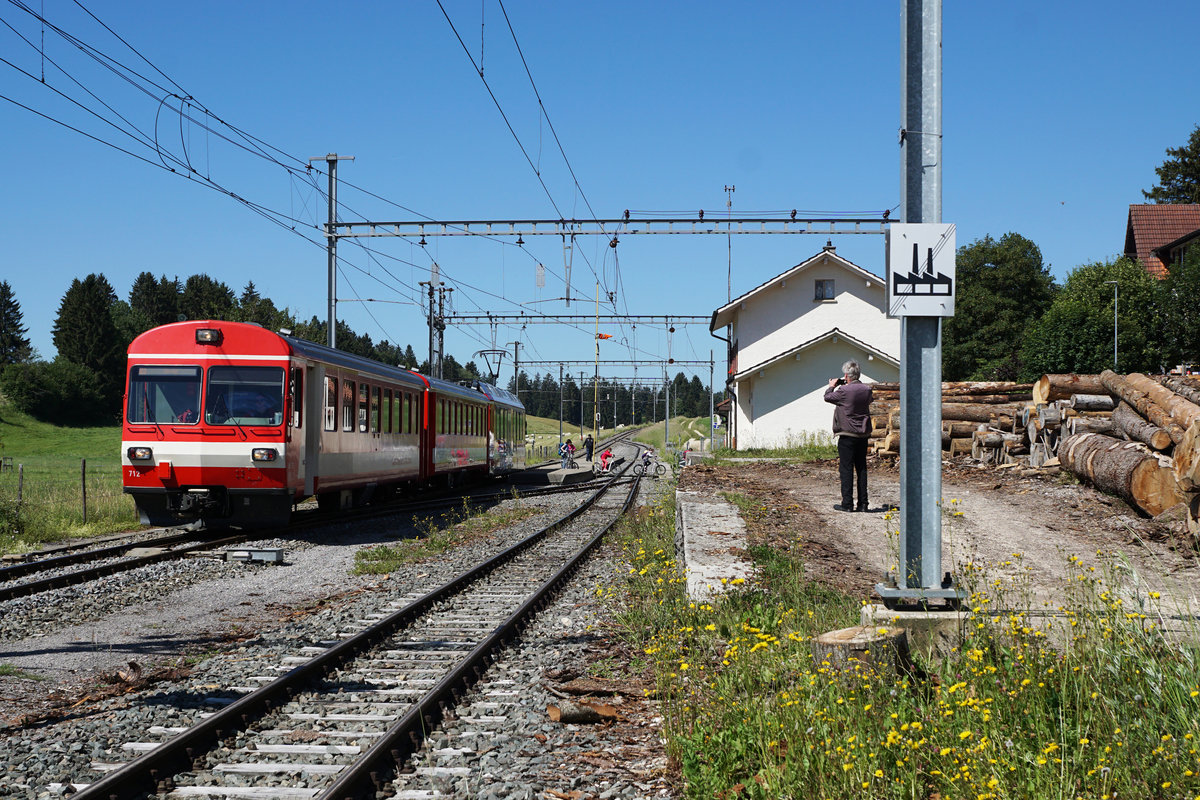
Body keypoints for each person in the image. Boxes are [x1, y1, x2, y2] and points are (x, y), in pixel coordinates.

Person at [823, 360, 873, 512]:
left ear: (846, 375)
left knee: (846, 469)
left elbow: (827, 397)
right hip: (863, 435)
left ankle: (847, 504)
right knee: (861, 468)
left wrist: (832, 385)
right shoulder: (867, 389)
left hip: (847, 435)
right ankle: (863, 504)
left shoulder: (843, 392)